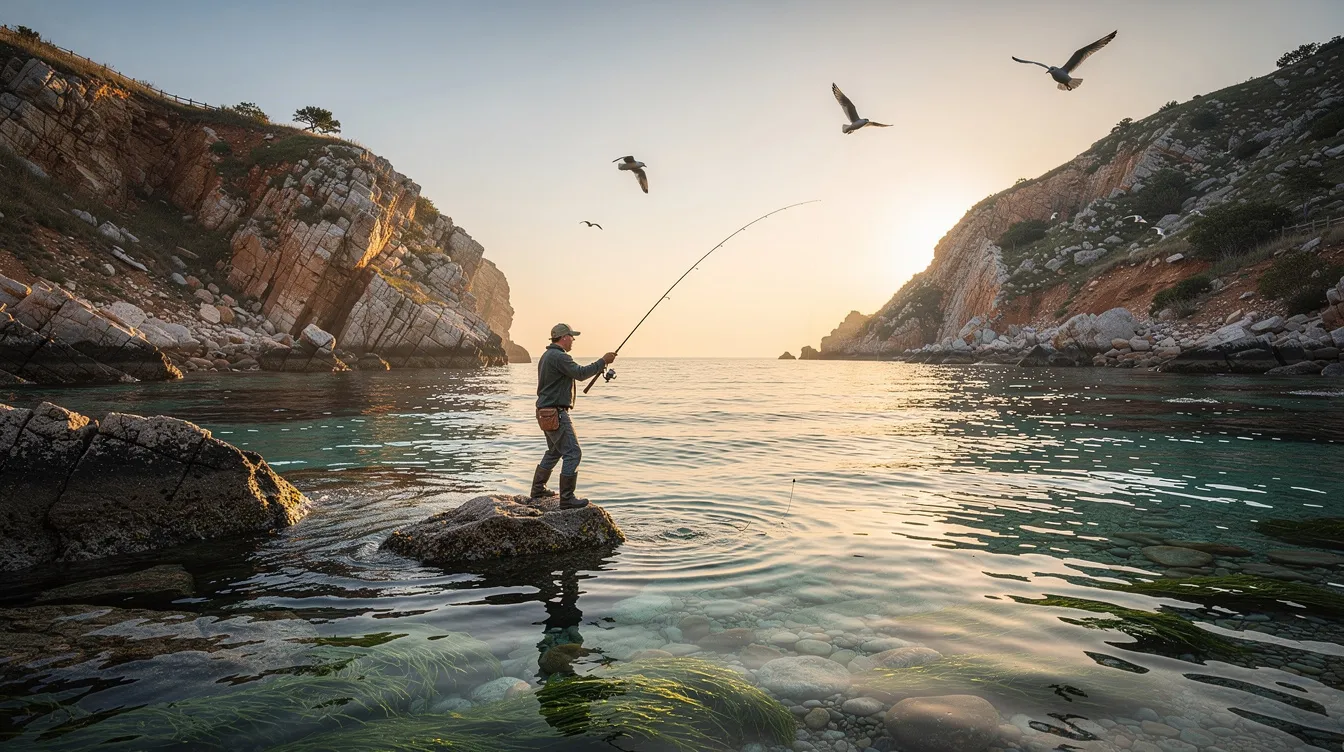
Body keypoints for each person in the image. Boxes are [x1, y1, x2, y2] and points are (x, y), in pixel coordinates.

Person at [532, 323, 616, 508]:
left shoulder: (547, 356)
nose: (573, 340)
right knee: (573, 453)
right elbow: (580, 373)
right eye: (572, 336)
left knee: (554, 451)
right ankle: (567, 499)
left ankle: (538, 489)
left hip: (544, 412)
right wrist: (603, 360)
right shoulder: (559, 356)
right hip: (556, 413)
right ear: (564, 337)